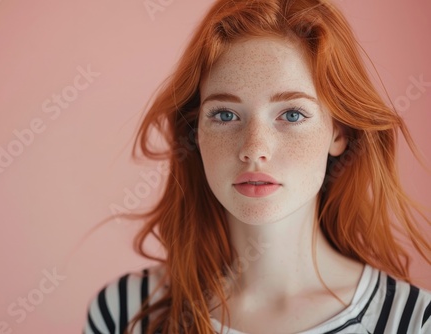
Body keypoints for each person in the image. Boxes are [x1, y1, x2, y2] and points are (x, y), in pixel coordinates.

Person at [84, 0, 431, 333]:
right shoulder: (125, 313)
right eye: (224, 114)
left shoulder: (416, 322)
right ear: (196, 133)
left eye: (292, 114)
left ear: (338, 132)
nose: (254, 150)